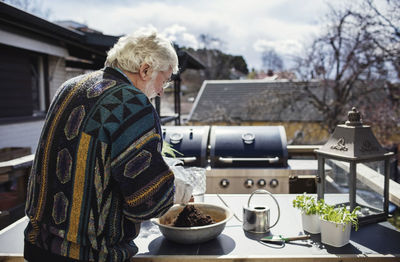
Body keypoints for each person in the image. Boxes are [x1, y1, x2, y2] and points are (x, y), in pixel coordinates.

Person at [24, 30, 192, 262]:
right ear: (145, 70)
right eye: (164, 80)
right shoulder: (132, 103)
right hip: (87, 254)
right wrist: (177, 190)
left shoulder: (70, 86)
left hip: (37, 245)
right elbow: (146, 202)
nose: (162, 91)